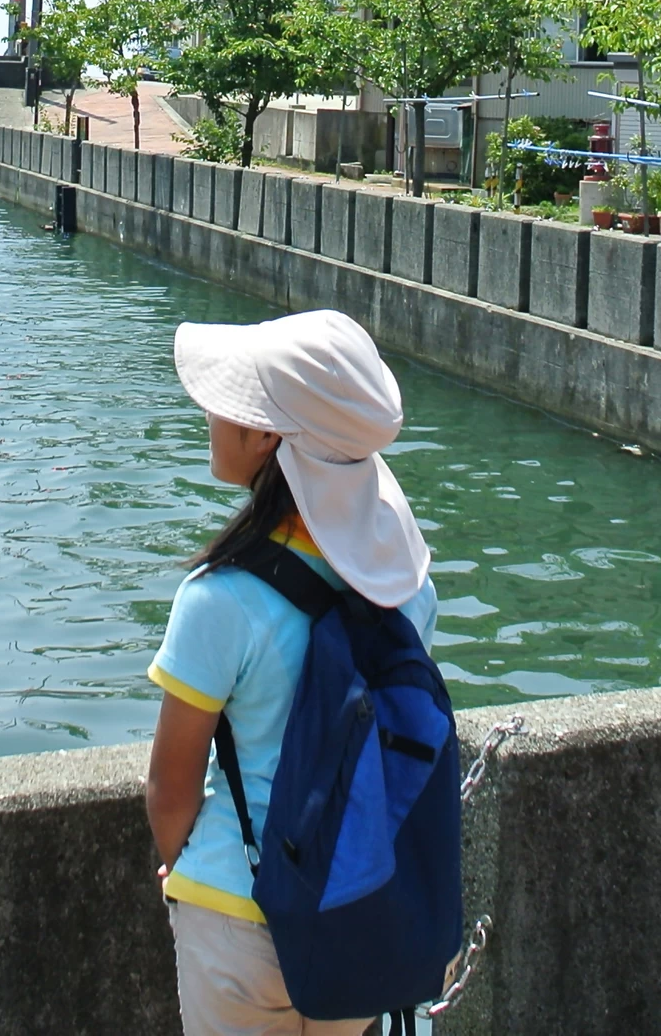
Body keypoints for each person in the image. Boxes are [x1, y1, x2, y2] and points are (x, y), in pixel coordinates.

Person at [145, 308, 439, 1036]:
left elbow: (171, 787)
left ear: (265, 438)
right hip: (355, 905)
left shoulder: (219, 598)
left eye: (229, 401)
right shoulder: (409, 591)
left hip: (235, 915)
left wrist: (189, 865)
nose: (210, 413)